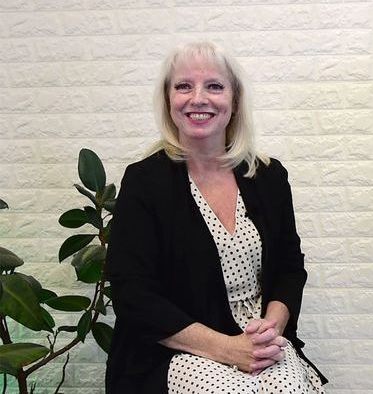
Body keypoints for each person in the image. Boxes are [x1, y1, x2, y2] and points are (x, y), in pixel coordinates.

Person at [105, 41, 327, 393]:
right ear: (168, 100)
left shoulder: (268, 177)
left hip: (259, 339)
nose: (198, 98)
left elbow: (289, 267)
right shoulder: (144, 182)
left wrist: (270, 330)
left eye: (214, 86)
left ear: (234, 100)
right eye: (183, 86)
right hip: (178, 348)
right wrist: (227, 349)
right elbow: (134, 295)